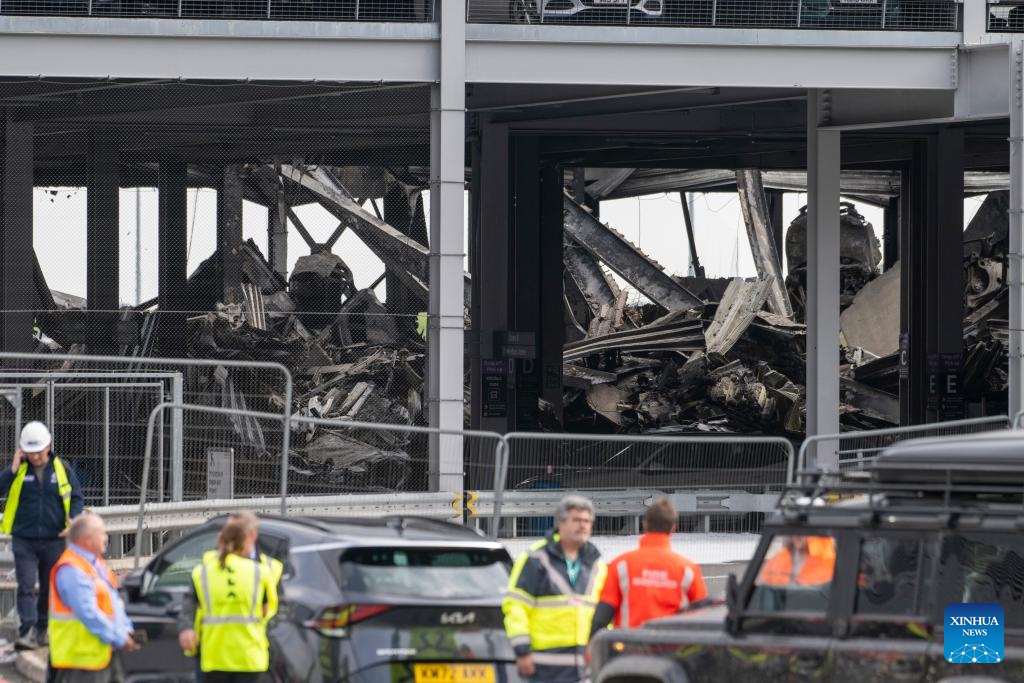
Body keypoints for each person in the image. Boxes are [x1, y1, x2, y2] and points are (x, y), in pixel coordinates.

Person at [503, 495, 606, 683]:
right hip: (544, 664)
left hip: (586, 664)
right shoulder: (536, 559)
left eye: (586, 521)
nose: (582, 525)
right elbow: (516, 607)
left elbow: (604, 612)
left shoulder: (596, 564)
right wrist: (522, 651)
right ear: (561, 522)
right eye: (576, 520)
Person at [0, 421, 85, 650]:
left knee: (49, 586)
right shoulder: (20, 471)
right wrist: (12, 469)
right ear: (22, 451)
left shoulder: (62, 469)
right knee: (26, 584)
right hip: (24, 538)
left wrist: (74, 520)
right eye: (30, 452)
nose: (35, 457)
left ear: (48, 447)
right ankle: (27, 629)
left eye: (39, 451)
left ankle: (43, 629)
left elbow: (76, 497)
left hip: (54, 538)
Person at [178, 511, 283, 683]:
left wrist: (268, 634)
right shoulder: (210, 565)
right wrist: (186, 627)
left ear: (252, 534)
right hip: (224, 653)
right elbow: (191, 601)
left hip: (228, 654)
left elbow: (280, 608)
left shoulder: (268, 566)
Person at [590, 498, 707, 634]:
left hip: (629, 650)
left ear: (645, 524)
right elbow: (702, 618)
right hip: (672, 650)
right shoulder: (688, 570)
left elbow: (602, 616)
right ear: (673, 528)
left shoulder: (621, 565)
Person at [49, 512, 139, 683]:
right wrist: (119, 637)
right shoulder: (72, 569)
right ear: (87, 539)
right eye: (102, 533)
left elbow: (113, 603)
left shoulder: (96, 564)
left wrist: (125, 629)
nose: (106, 538)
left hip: (103, 655)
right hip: (81, 662)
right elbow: (87, 612)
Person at [758, 535, 836, 586]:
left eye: (804, 531)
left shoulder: (828, 563)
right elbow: (766, 591)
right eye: (794, 531)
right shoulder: (776, 562)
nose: (798, 536)